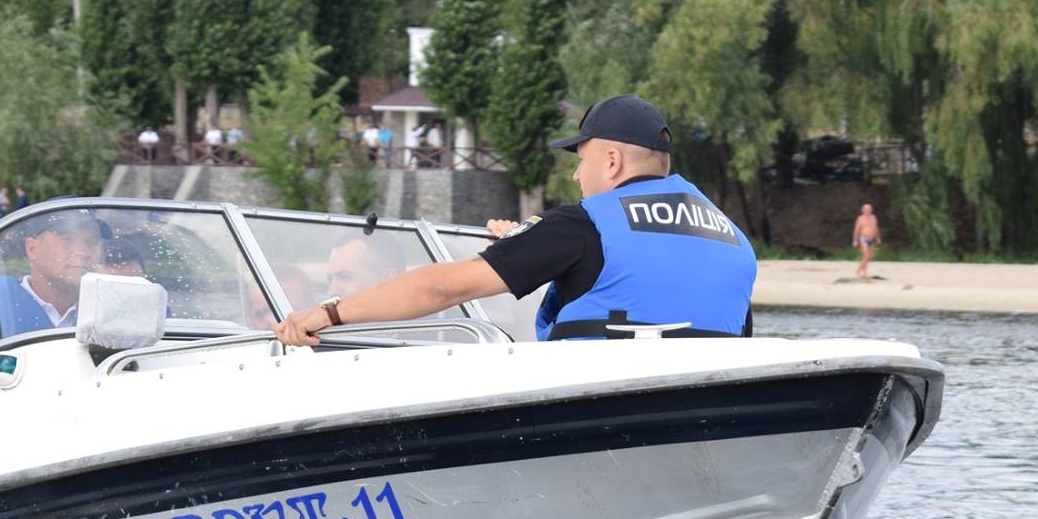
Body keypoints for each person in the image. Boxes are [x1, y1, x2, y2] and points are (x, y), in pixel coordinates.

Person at [274, 95, 755, 346]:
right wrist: (526, 245)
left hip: (599, 419)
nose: (576, 175)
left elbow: (441, 288)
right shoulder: (732, 238)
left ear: (611, 162)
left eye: (581, 161)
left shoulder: (582, 227)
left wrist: (328, 313)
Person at [0, 208, 106, 336]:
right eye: (67, 240)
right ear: (32, 249)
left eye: (92, 242)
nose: (83, 252)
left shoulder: (106, 311)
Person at [852, 203, 882, 278]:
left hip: (871, 239)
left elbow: (875, 228)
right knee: (866, 255)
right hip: (863, 238)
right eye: (866, 209)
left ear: (871, 210)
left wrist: (878, 237)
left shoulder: (873, 217)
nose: (868, 210)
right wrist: (855, 240)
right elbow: (856, 230)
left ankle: (864, 271)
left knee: (869, 256)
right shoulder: (860, 218)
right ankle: (859, 270)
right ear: (862, 210)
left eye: (869, 209)